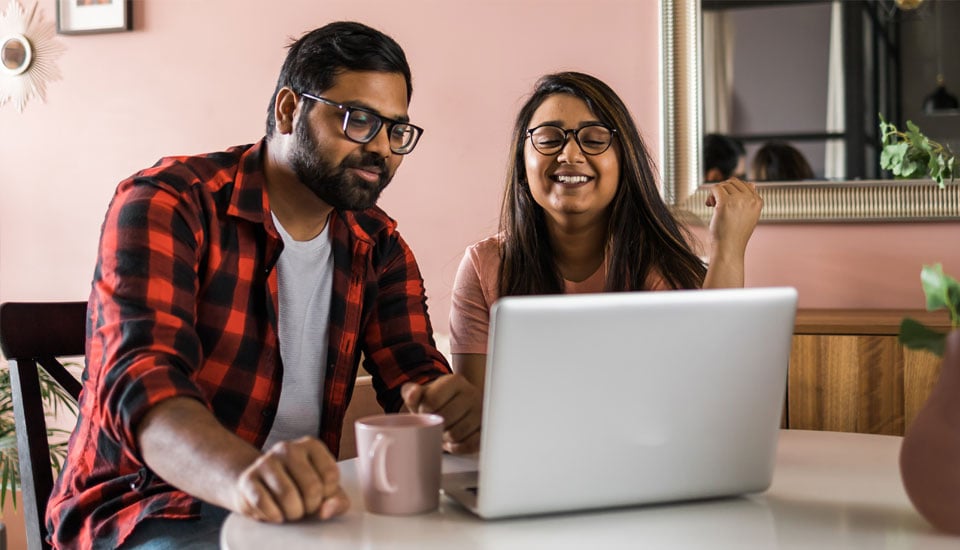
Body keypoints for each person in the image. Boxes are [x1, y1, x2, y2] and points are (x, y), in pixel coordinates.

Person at [46, 21, 481, 549]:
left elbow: (413, 372)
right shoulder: (171, 204)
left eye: (396, 130)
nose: (382, 150)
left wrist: (444, 405)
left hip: (299, 515)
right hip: (143, 509)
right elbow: (143, 384)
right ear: (288, 110)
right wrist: (245, 478)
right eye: (359, 120)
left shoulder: (378, 246)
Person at [449, 72, 763, 393]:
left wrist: (728, 249)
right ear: (521, 166)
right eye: (548, 139)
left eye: (595, 140)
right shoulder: (483, 266)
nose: (570, 155)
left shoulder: (657, 268)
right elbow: (474, 420)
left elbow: (711, 389)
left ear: (624, 162)